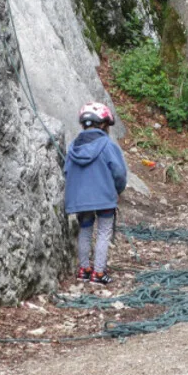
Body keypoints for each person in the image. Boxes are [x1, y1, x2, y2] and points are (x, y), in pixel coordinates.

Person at [64, 102, 128, 285]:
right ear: (103, 125)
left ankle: (84, 270)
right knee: (103, 231)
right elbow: (119, 173)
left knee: (84, 230)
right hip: (104, 197)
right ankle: (99, 273)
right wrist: (117, 190)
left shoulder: (73, 147)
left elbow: (67, 172)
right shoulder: (107, 145)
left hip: (79, 198)